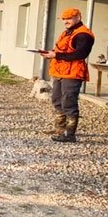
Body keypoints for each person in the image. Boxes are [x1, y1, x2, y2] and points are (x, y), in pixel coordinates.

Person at [41, 8, 95, 143]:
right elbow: (63, 50)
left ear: (78, 17)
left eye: (69, 18)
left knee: (69, 102)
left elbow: (81, 54)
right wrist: (51, 54)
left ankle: (70, 134)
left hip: (73, 73)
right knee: (57, 100)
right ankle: (60, 129)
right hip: (60, 72)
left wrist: (56, 55)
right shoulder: (68, 33)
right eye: (64, 19)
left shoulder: (83, 35)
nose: (66, 21)